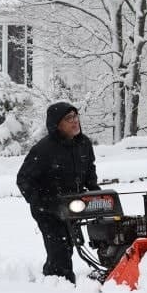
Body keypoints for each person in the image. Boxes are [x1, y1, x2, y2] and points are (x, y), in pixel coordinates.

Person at [16, 101, 98, 283]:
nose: (75, 121)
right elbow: (23, 179)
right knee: (61, 247)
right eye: (69, 118)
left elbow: (89, 171)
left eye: (76, 116)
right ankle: (59, 284)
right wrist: (43, 201)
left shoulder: (83, 144)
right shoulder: (43, 149)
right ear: (56, 124)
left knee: (73, 243)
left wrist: (96, 193)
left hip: (74, 205)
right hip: (48, 209)